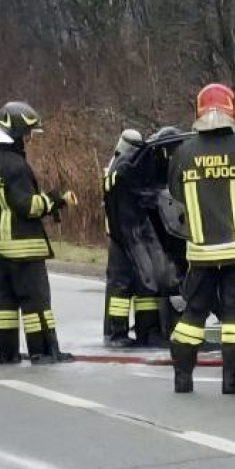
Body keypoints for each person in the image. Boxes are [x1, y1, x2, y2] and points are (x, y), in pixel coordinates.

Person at [167, 83, 235, 394]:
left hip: (201, 253)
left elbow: (174, 191)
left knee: (193, 313)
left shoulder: (183, 153)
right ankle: (233, 379)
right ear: (233, 112)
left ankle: (182, 378)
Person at [0, 101, 77, 365]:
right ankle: (43, 352)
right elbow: (28, 206)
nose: (29, 139)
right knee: (36, 302)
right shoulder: (16, 166)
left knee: (5, 304)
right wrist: (56, 199)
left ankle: (6, 353)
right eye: (28, 133)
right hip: (24, 249)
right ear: (17, 133)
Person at [101, 129, 166, 349]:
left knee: (141, 284)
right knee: (123, 286)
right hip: (126, 236)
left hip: (125, 235)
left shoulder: (116, 164)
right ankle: (118, 333)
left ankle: (143, 332)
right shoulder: (125, 168)